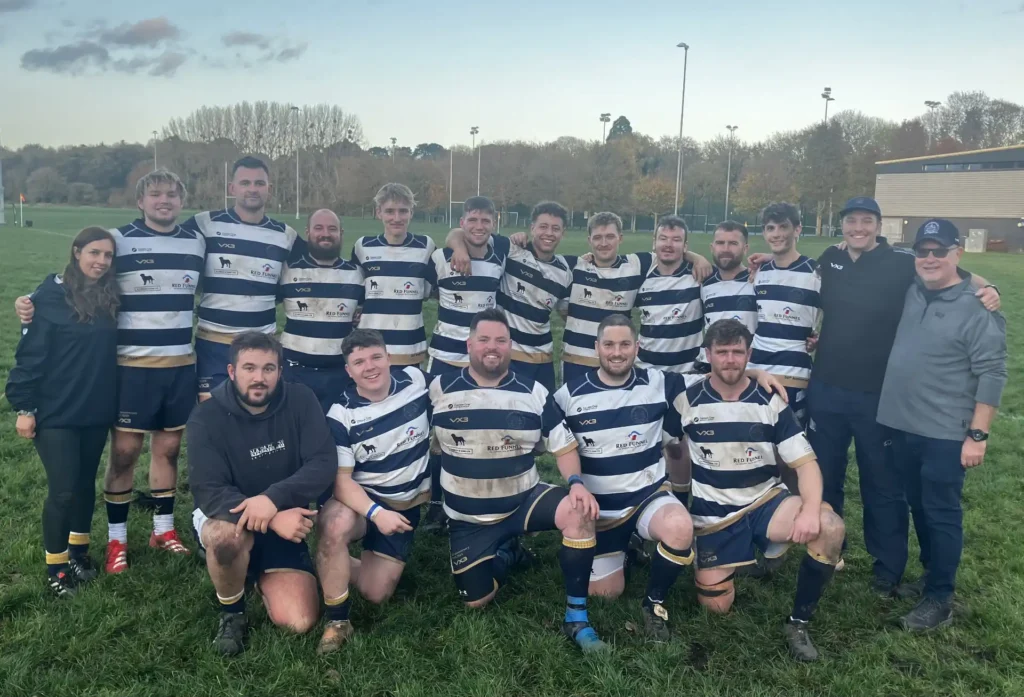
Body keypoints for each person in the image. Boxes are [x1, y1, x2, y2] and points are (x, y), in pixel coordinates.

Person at [804, 197, 1001, 589]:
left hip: (879, 397)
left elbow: (952, 271)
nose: (858, 228)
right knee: (826, 477)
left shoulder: (900, 262)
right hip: (825, 388)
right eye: (851, 221)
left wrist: (988, 285)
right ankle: (827, 552)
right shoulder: (830, 256)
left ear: (878, 225)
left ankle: (887, 567)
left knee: (882, 483)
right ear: (842, 227)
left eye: (866, 220)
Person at [15, 170, 204, 574]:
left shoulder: (196, 241)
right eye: (155, 194)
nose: (164, 200)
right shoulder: (118, 240)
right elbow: (74, 276)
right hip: (130, 367)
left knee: (168, 450)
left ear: (181, 201)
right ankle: (115, 541)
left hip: (179, 364)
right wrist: (29, 301)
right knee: (123, 453)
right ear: (140, 201)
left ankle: (163, 529)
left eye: (172, 194)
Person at [430, 308, 607, 652]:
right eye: (484, 339)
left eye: (500, 340)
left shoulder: (534, 392)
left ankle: (577, 617)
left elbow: (565, 445)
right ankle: (509, 553)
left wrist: (575, 482)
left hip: (524, 499)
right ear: (469, 344)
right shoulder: (438, 390)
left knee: (579, 512)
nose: (491, 347)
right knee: (476, 601)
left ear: (511, 345)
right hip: (469, 520)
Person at [673, 319, 845, 662]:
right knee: (716, 607)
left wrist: (810, 510)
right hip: (714, 517)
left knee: (830, 526)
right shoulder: (686, 400)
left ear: (749, 355)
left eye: (738, 352)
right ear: (708, 354)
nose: (730, 360)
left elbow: (806, 464)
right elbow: (672, 451)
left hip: (766, 503)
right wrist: (678, 501)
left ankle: (797, 622)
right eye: (722, 352)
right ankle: (757, 556)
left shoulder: (770, 401)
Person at [877, 219, 1007, 631]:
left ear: (957, 254)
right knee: (919, 506)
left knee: (941, 513)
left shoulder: (976, 305)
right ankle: (932, 576)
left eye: (940, 251)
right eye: (924, 251)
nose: (930, 259)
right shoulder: (913, 290)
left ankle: (941, 599)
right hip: (903, 426)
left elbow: (993, 372)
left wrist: (978, 436)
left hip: (946, 433)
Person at [187, 332, 336, 656]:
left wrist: (271, 500)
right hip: (228, 516)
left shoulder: (301, 400)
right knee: (226, 541)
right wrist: (272, 519)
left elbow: (323, 462)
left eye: (269, 369)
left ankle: (247, 569)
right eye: (249, 368)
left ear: (280, 371)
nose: (259, 378)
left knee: (299, 620)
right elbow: (208, 490)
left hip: (281, 514)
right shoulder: (206, 417)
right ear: (231, 372)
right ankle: (233, 612)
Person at [6, 227, 119, 597]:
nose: (100, 261)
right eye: (94, 253)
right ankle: (56, 569)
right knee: (63, 490)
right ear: (76, 252)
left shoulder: (109, 296)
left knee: (86, 486)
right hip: (55, 412)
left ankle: (79, 552)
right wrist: (24, 407)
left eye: (107, 255)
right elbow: (30, 355)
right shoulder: (51, 295)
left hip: (95, 409)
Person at [316, 329, 432, 653]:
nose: (370, 366)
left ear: (389, 358)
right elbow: (341, 481)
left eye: (376, 357)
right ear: (348, 370)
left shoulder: (416, 381)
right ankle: (337, 621)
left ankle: (328, 561)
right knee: (334, 525)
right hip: (362, 503)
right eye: (359, 361)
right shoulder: (341, 414)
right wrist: (376, 513)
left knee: (375, 593)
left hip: (405, 505)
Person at [187, 156, 298, 400]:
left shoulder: (286, 235)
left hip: (262, 343)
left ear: (270, 189)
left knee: (257, 418)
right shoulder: (204, 223)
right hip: (214, 343)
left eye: (259, 183)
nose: (252, 189)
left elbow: (302, 278)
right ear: (232, 188)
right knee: (213, 416)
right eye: (245, 182)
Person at [279, 209, 364, 410]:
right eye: (319, 228)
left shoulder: (357, 274)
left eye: (332, 229)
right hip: (294, 373)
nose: (325, 233)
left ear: (341, 233)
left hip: (340, 374)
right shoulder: (287, 270)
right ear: (307, 232)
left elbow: (364, 313)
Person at [747, 202, 820, 426]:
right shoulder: (759, 272)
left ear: (797, 229)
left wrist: (821, 337)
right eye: (770, 228)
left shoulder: (816, 273)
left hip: (794, 371)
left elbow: (840, 312)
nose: (776, 234)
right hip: (757, 368)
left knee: (791, 443)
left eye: (783, 227)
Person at [350, 183, 436, 366]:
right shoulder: (362, 247)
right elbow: (355, 295)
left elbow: (429, 291)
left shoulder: (426, 246)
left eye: (403, 211)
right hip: (369, 348)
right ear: (378, 212)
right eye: (389, 211)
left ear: (411, 213)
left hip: (409, 347)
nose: (396, 218)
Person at [496, 201, 574, 395]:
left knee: (542, 418)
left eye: (556, 228)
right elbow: (463, 235)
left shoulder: (565, 271)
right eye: (543, 226)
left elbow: (564, 312)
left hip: (542, 359)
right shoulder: (512, 251)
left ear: (563, 233)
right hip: (508, 356)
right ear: (532, 228)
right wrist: (460, 249)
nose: (549, 233)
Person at [634, 215, 703, 373]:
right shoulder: (641, 276)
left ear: (685, 246)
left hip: (688, 374)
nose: (668, 245)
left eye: (676, 240)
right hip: (647, 372)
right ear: (654, 243)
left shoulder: (698, 276)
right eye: (663, 238)